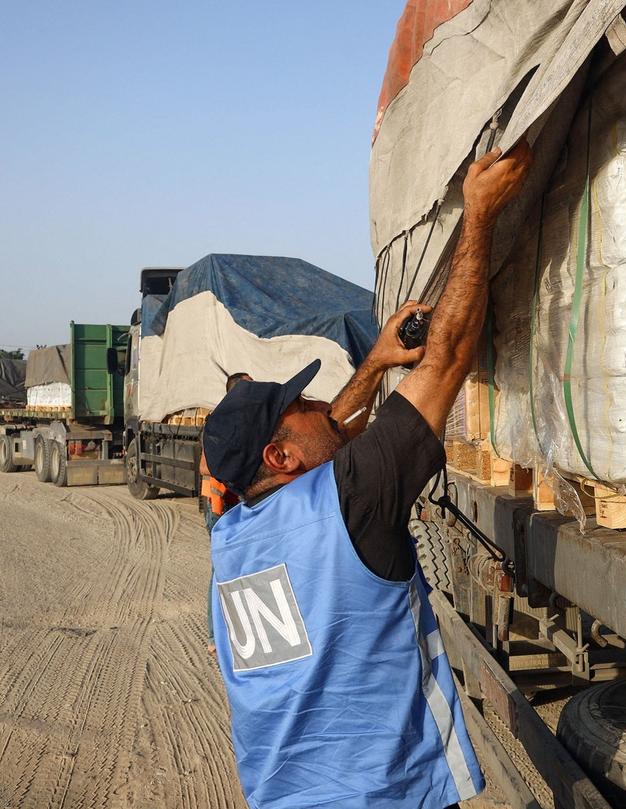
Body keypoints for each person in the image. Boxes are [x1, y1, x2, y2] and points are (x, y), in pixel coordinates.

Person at [201, 142, 531, 809]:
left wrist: (377, 363)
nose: (325, 406)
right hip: (381, 795)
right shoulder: (348, 502)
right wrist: (479, 216)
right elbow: (447, 361)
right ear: (278, 458)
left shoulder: (230, 537)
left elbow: (331, 440)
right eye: (305, 405)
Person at [200, 372, 252, 654]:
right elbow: (205, 467)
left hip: (235, 503)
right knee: (220, 570)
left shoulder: (242, 419)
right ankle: (213, 637)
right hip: (219, 506)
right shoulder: (218, 420)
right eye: (250, 386)